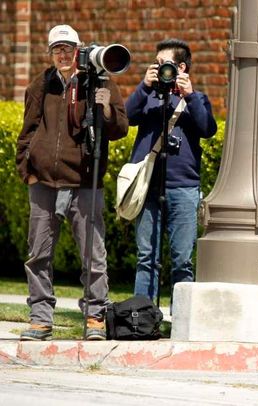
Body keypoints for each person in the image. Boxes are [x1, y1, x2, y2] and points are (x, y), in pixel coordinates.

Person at [15, 24, 129, 340]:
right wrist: (28, 170)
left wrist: (105, 106)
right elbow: (27, 131)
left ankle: (95, 318)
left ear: (78, 51)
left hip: (85, 182)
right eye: (57, 49)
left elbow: (120, 128)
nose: (63, 55)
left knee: (93, 255)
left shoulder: (100, 82)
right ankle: (40, 319)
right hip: (44, 183)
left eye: (68, 49)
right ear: (50, 53)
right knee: (38, 255)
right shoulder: (41, 84)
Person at [126, 39, 217, 302]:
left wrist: (189, 96)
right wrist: (144, 86)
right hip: (148, 186)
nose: (159, 69)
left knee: (182, 260)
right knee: (146, 257)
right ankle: (142, 317)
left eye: (163, 64)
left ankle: (182, 319)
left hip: (184, 187)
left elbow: (207, 129)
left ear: (181, 67)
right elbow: (127, 117)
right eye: (156, 64)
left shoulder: (197, 98)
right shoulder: (149, 96)